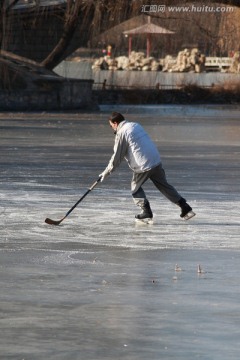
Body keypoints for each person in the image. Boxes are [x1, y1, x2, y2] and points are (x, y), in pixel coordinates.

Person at [99, 112, 195, 223]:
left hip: (143, 164)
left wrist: (107, 172)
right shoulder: (135, 125)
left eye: (111, 125)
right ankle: (185, 207)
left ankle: (146, 212)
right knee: (164, 186)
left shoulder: (122, 132)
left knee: (135, 188)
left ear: (115, 123)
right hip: (155, 160)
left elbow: (117, 156)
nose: (112, 128)